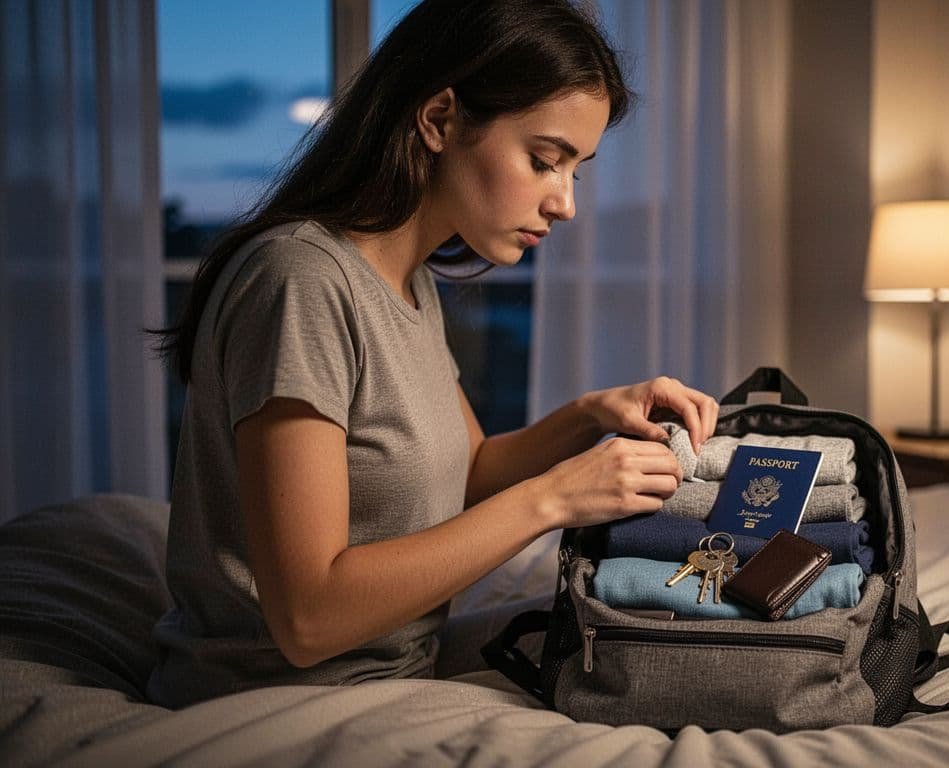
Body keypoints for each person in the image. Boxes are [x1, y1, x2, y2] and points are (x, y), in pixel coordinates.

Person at [146, 0, 718, 708]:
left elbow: (469, 476)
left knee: (673, 654)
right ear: (440, 119)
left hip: (392, 669)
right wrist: (556, 497)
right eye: (544, 161)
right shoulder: (301, 282)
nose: (565, 203)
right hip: (281, 696)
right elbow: (307, 617)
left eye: (577, 171)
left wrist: (589, 414)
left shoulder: (409, 282)